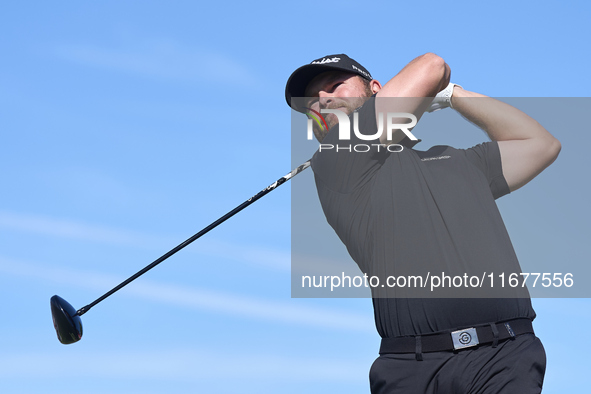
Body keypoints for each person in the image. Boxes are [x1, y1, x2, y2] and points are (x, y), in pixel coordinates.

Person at [285, 53, 560, 394]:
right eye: (312, 100)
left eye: (334, 86)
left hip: (504, 356)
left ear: (375, 89)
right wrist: (434, 91)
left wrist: (452, 95)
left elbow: (542, 145)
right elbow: (432, 69)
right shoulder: (334, 159)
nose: (322, 99)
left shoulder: (460, 161)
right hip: (411, 369)